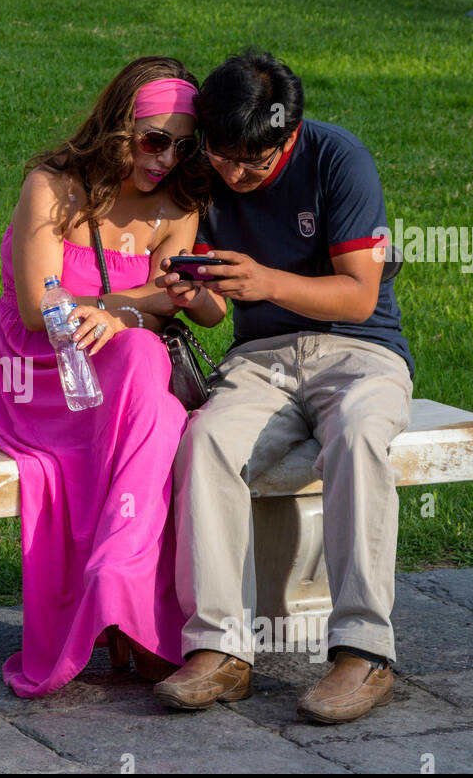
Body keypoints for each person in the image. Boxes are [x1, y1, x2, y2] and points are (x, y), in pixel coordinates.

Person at [153, 49, 415, 724]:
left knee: (359, 433)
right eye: (222, 156)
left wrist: (265, 282)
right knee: (206, 440)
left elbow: (359, 295)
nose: (234, 175)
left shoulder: (338, 159)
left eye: (253, 162)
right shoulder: (206, 170)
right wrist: (195, 294)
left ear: (289, 133)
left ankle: (364, 651)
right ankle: (220, 648)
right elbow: (216, 310)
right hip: (260, 358)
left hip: (361, 353)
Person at [0, 56, 226, 697]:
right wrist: (132, 305)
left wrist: (123, 313)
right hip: (39, 368)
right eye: (153, 140)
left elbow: (179, 296)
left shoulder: (178, 203)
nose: (166, 158)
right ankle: (134, 601)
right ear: (120, 129)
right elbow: (38, 309)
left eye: (183, 145)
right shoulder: (52, 185)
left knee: (152, 380)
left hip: (121, 366)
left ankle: (119, 578)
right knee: (154, 390)